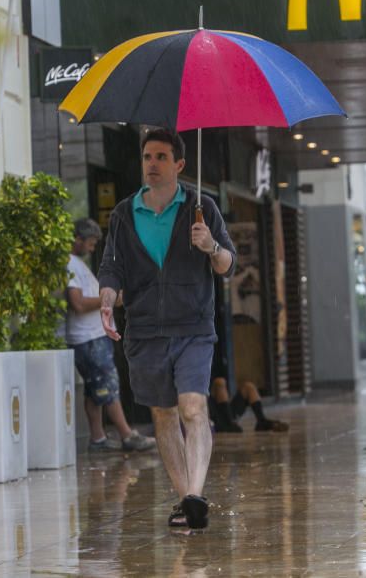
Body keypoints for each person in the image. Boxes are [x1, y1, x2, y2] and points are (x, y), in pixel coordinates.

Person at [98, 128, 236, 531]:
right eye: (147, 157)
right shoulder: (124, 214)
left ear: (179, 164)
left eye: (161, 157)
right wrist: (107, 299)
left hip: (193, 326)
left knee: (192, 407)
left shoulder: (201, 208)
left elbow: (229, 264)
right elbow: (112, 267)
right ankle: (185, 501)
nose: (152, 164)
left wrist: (210, 245)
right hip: (144, 331)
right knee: (163, 415)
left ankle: (195, 495)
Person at [65, 218, 156, 453]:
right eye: (91, 243)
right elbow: (78, 303)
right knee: (107, 384)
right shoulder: (69, 264)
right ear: (78, 240)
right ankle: (127, 434)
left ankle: (98, 438)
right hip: (89, 338)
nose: (93, 249)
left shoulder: (76, 264)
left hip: (92, 336)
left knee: (95, 388)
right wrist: (111, 298)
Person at [208, 377, 289, 433]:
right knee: (219, 382)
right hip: (215, 418)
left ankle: (261, 421)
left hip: (225, 412)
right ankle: (228, 425)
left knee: (248, 387)